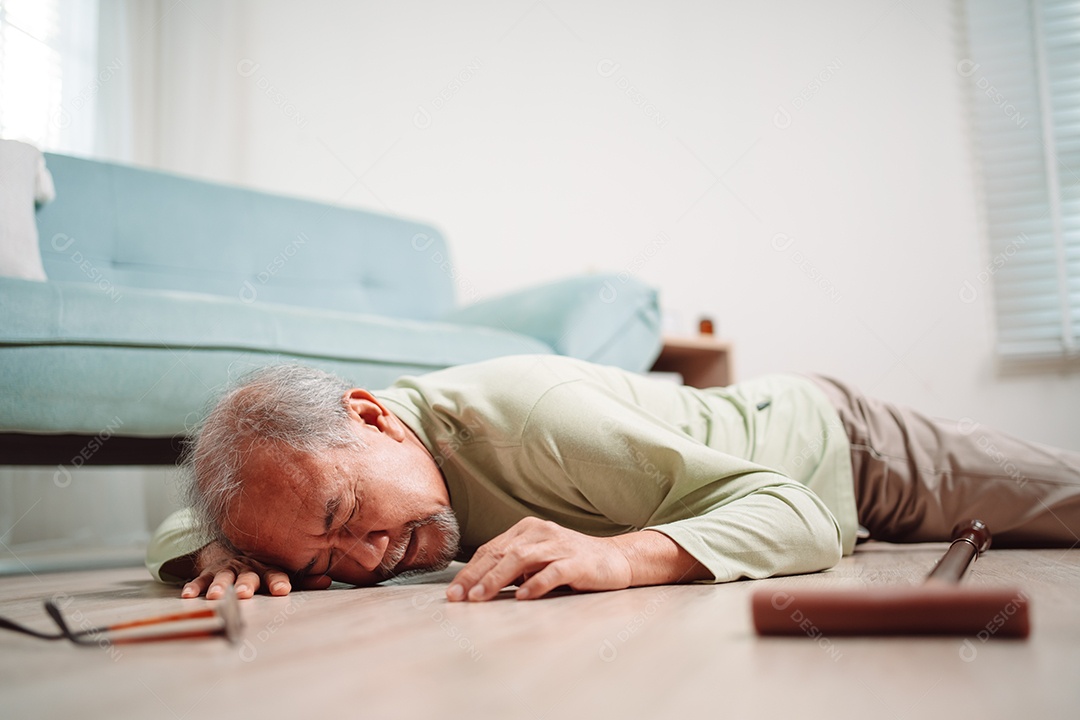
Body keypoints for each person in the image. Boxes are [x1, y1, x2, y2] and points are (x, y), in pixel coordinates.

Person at [146, 354, 1080, 603]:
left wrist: (626, 555)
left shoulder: (534, 416)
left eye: (345, 514)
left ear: (375, 416)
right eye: (321, 565)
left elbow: (788, 509)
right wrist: (222, 546)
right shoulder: (306, 500)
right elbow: (165, 528)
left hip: (847, 451)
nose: (367, 557)